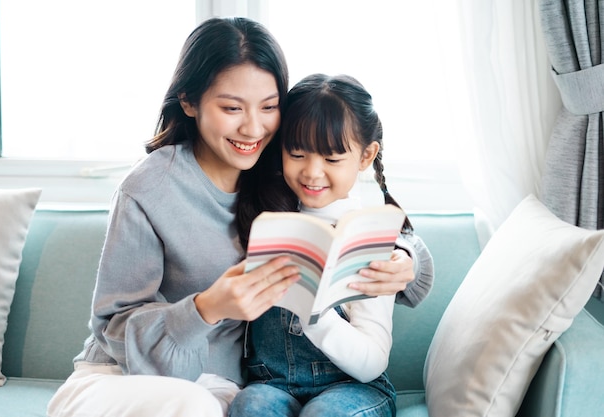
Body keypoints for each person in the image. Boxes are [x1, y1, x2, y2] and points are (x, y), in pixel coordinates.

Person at [47, 18, 417, 417]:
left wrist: (405, 258)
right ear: (189, 101)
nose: (253, 127)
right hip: (123, 377)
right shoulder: (149, 188)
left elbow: (359, 214)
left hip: (221, 388)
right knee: (196, 406)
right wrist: (205, 308)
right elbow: (113, 327)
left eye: (269, 107)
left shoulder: (285, 169)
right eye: (231, 108)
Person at [229, 74, 434, 417]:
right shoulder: (264, 220)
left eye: (332, 159)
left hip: (353, 387)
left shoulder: (371, 240)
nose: (312, 172)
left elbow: (370, 364)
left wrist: (313, 313)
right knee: (250, 405)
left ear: (366, 155)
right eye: (297, 153)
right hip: (272, 384)